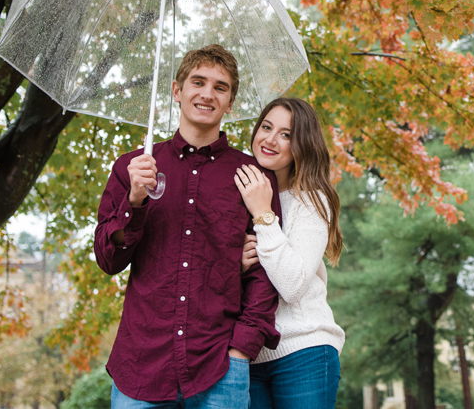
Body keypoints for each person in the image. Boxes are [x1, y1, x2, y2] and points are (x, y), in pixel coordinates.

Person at [94, 44, 281, 409]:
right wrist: (134, 201)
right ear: (178, 91)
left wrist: (243, 347)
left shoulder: (254, 178)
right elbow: (108, 259)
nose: (207, 94)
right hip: (140, 365)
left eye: (220, 87)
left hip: (220, 367)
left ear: (231, 104)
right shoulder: (133, 168)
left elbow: (266, 271)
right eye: (198, 82)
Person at [234, 97, 345, 409]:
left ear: (302, 145)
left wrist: (263, 214)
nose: (270, 139)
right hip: (249, 353)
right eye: (266, 127)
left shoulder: (312, 200)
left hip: (304, 350)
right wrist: (237, 266)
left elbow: (292, 285)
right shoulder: (238, 192)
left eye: (286, 134)